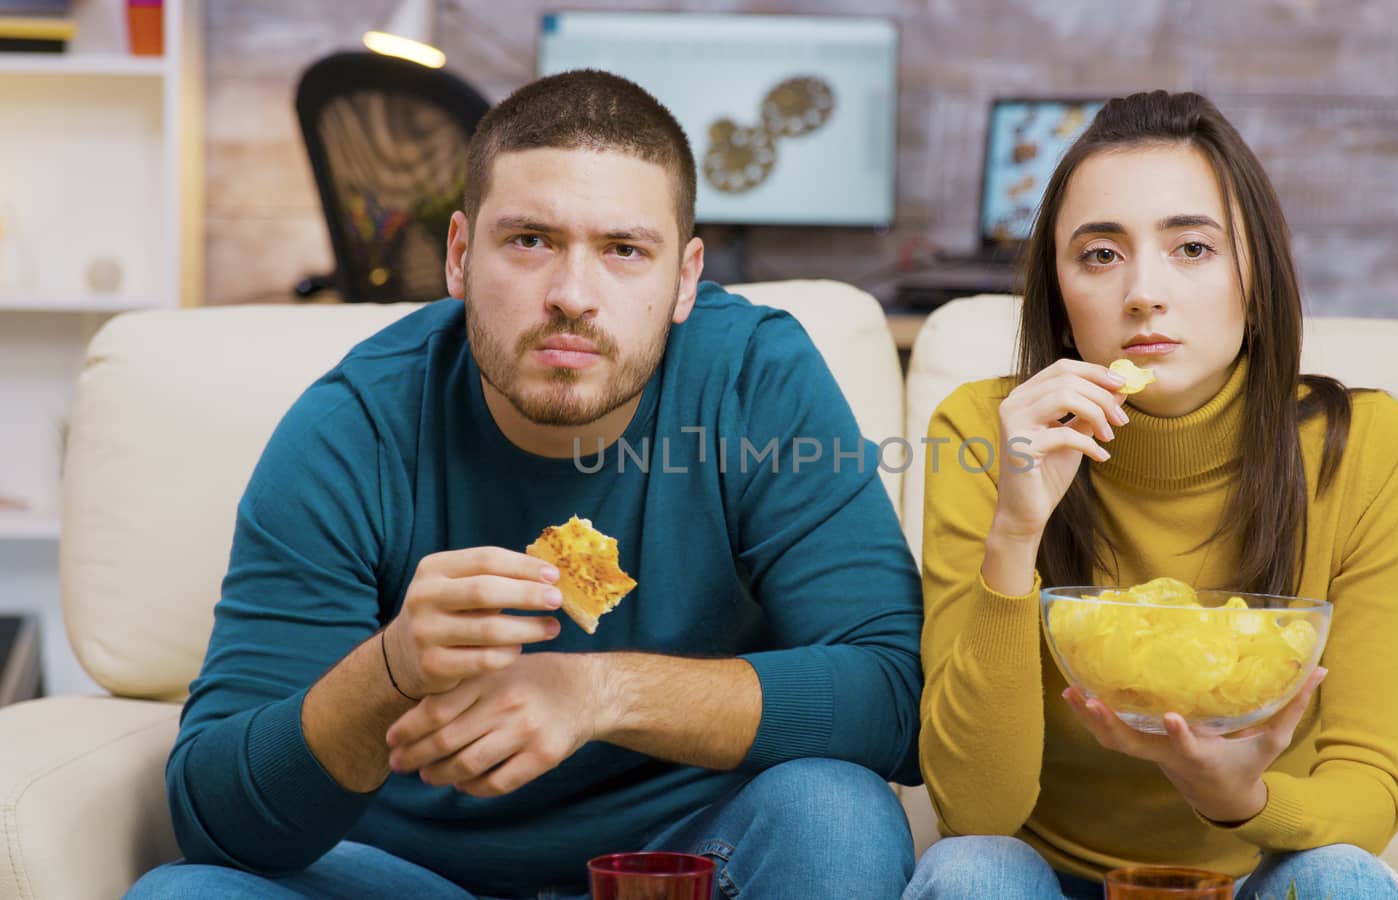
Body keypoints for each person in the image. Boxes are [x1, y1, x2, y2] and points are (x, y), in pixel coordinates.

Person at [127, 70, 922, 900]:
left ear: (685, 279)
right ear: (461, 255)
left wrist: (599, 690)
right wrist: (390, 668)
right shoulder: (352, 426)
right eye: (531, 241)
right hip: (407, 874)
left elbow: (896, 698)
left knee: (837, 814)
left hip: (680, 865)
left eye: (623, 250)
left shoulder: (754, 381)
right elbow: (215, 818)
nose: (572, 297)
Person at [905, 91, 1398, 900]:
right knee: (969, 872)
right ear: (1059, 293)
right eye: (1101, 256)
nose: (1144, 292)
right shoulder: (986, 431)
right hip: (1046, 878)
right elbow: (976, 809)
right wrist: (1016, 531)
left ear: (1255, 274)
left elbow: (1366, 797)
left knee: (1342, 880)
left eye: (1191, 248)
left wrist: (1234, 796)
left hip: (1254, 871)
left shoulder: (1371, 448)